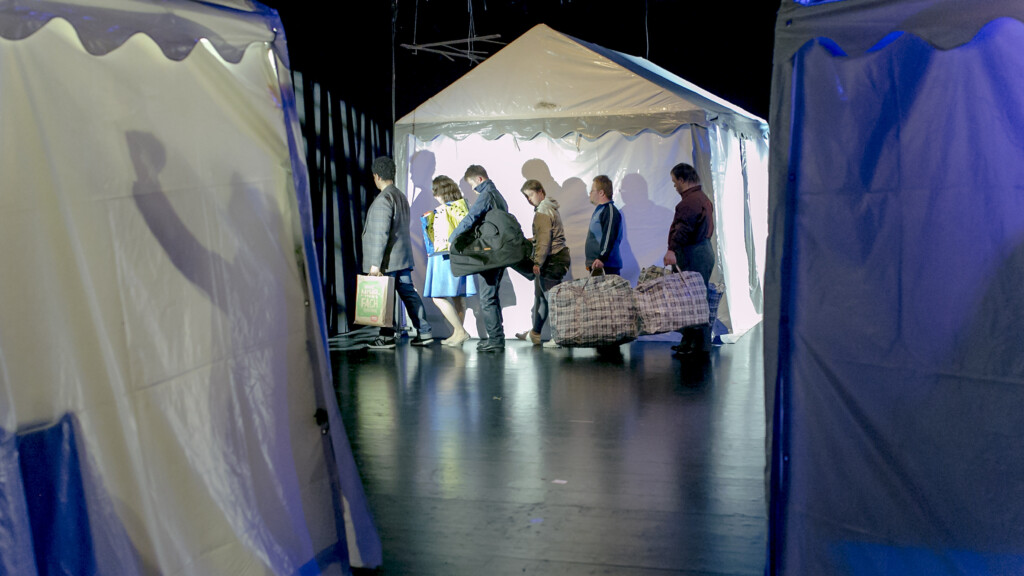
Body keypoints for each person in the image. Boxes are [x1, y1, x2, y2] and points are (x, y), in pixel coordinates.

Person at [362, 156, 433, 349]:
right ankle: (424, 331)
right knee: (408, 293)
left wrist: (375, 264)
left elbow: (380, 234)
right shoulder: (400, 196)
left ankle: (386, 337)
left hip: (388, 260)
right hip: (402, 258)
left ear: (376, 176)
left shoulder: (384, 199)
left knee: (385, 297)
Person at [449, 164, 508, 352]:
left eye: (473, 185)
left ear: (480, 179)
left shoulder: (487, 195)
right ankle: (496, 337)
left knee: (487, 298)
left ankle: (496, 340)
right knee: (492, 297)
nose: (473, 190)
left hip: (490, 255)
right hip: (499, 253)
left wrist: (453, 237)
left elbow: (472, 217)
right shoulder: (498, 195)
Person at [663, 162, 715, 357]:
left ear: (683, 180)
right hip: (702, 251)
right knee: (694, 299)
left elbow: (683, 229)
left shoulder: (689, 202)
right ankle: (690, 342)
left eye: (675, 182)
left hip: (694, 253)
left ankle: (699, 346)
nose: (675, 186)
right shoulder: (701, 198)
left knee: (694, 300)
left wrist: (671, 250)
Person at [421, 175, 477, 347]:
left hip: (444, 256)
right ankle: (457, 332)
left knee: (438, 296)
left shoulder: (446, 210)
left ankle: (459, 331)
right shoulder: (461, 207)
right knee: (457, 296)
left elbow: (442, 237)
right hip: (456, 256)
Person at [515, 179, 571, 347]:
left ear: (540, 191)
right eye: (526, 196)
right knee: (541, 298)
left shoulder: (543, 211)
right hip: (555, 257)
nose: (529, 199)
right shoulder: (548, 208)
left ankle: (559, 337)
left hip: (552, 259)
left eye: (530, 195)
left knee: (552, 300)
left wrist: (537, 262)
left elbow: (545, 241)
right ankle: (535, 333)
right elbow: (545, 236)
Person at [585, 175, 624, 276]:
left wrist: (602, 258)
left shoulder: (610, 211)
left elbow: (609, 235)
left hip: (606, 266)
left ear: (601, 192)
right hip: (597, 265)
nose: (590, 193)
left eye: (592, 190)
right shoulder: (600, 210)